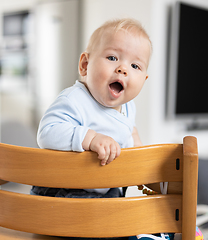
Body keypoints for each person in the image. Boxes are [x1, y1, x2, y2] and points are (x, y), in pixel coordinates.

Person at [31, 18, 152, 199]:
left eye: (135, 66)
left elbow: (128, 131)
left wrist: (138, 154)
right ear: (85, 65)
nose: (123, 69)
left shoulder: (128, 107)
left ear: (144, 80)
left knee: (127, 207)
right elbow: (46, 132)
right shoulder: (75, 100)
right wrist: (91, 137)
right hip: (61, 189)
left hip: (103, 188)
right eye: (112, 58)